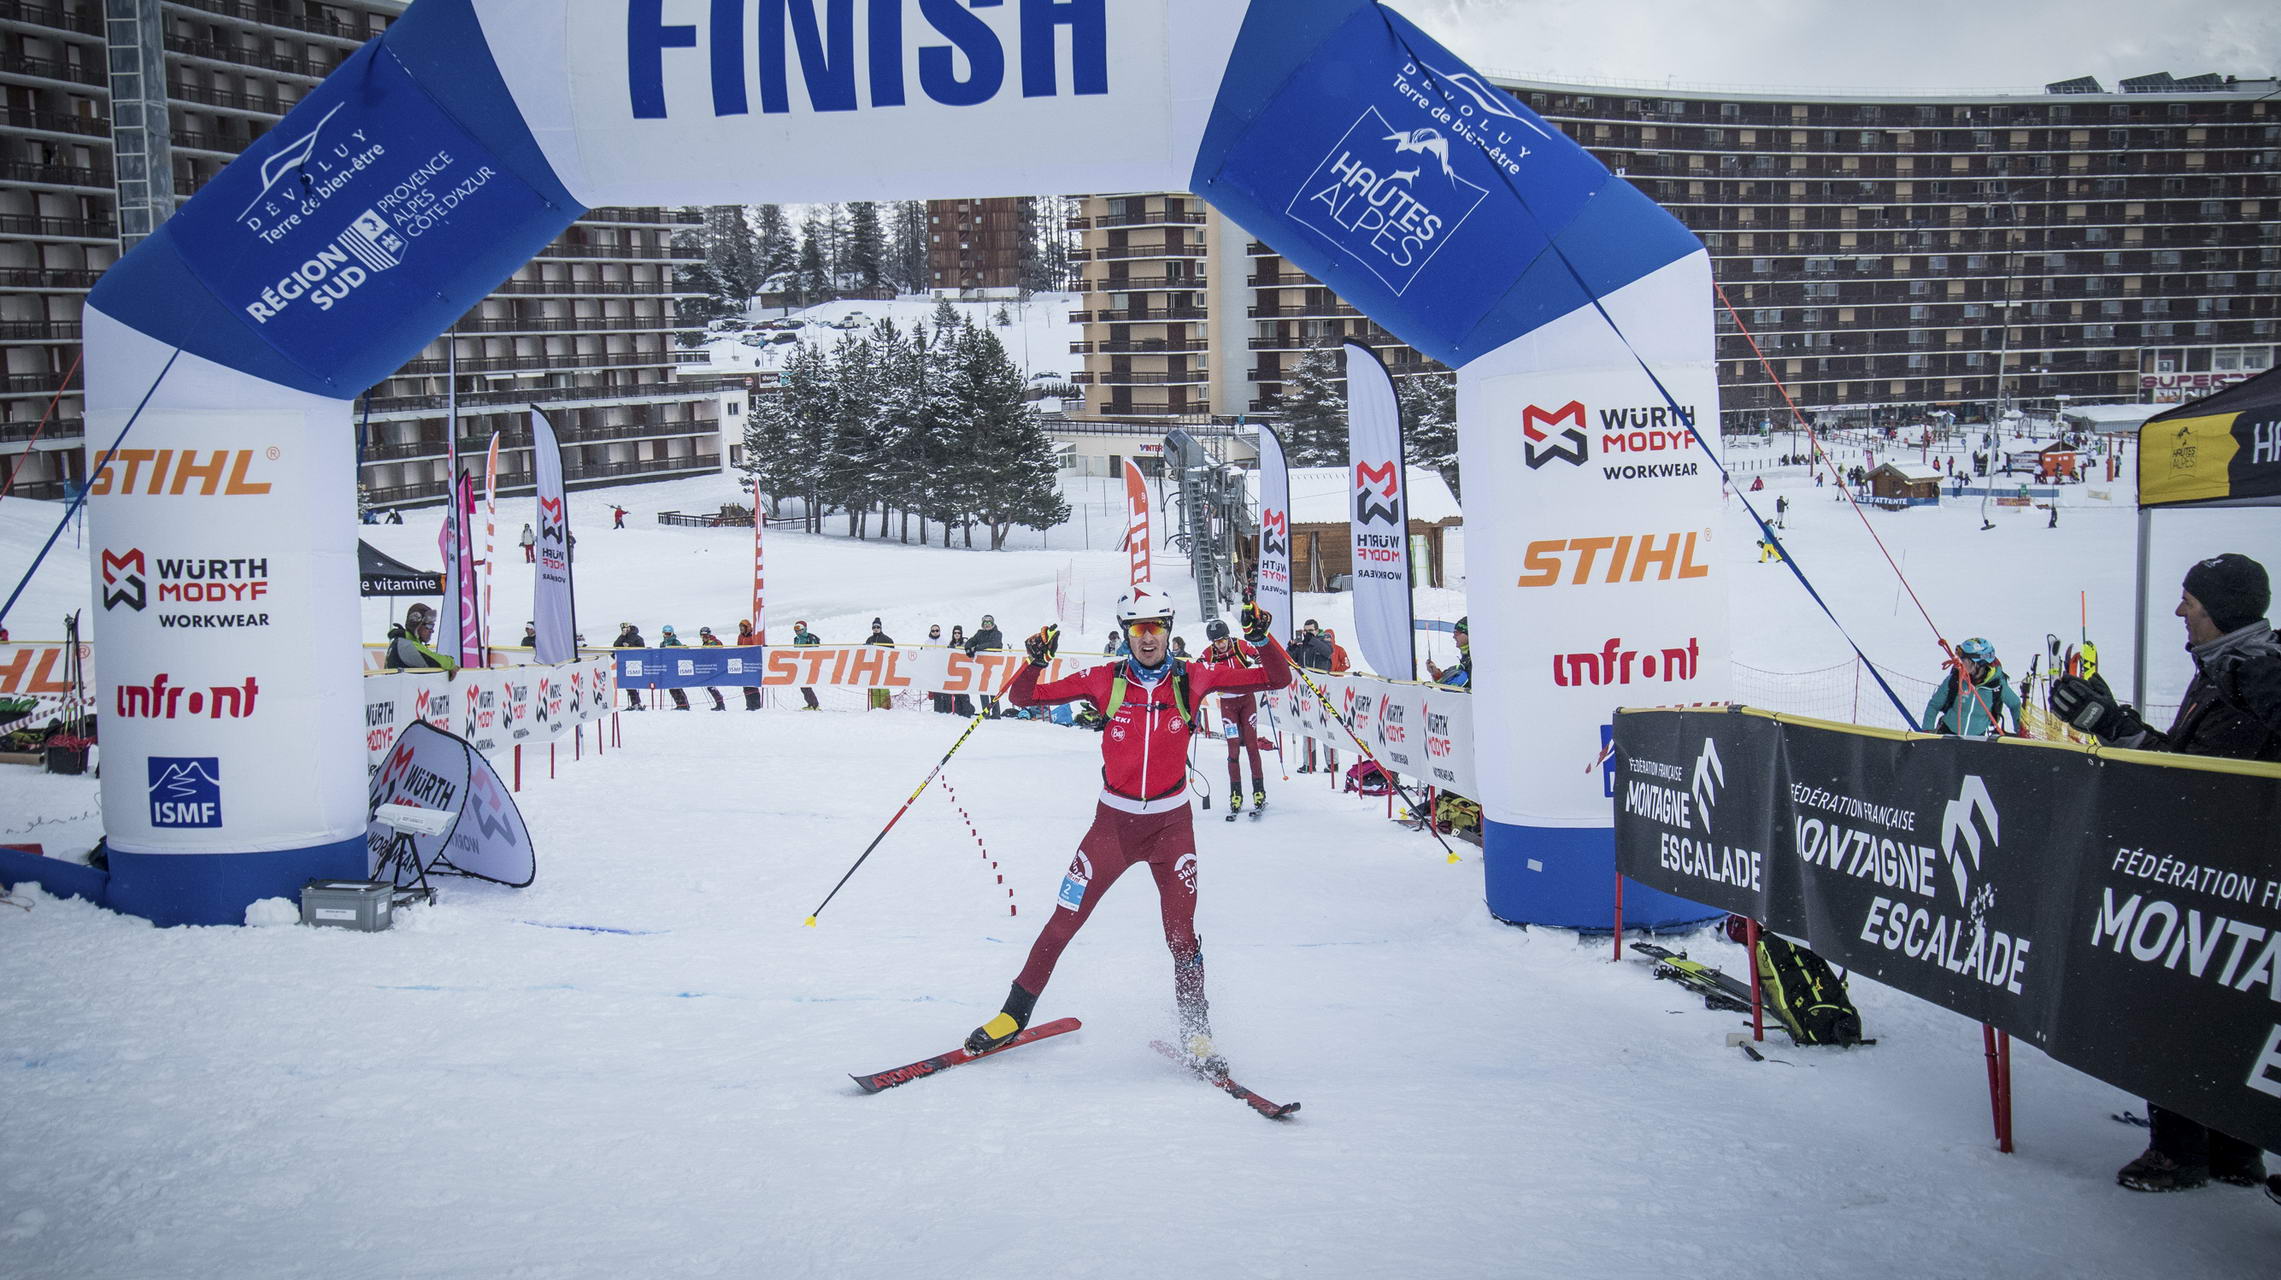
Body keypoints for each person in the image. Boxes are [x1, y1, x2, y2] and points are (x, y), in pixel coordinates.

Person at [962, 591, 1292, 1070]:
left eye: (1156, 626)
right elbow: (1024, 696)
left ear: (1168, 628)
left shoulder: (1192, 677)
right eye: (1138, 629)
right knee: (1064, 919)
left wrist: (1261, 638)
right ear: (1126, 633)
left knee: (1181, 934)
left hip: (1171, 829)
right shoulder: (1105, 680)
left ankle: (1197, 1035)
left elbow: (1275, 677)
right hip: (1112, 828)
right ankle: (1012, 1016)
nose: (1149, 637)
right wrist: (1034, 661)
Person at [2051, 554, 2281, 1194]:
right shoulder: (2227, 670)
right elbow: (2187, 764)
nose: (2180, 611)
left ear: (2221, 613)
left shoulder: (2250, 679)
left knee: (2180, 1006)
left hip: (2216, 878)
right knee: (2222, 1009)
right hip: (2223, 879)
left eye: (2191, 603)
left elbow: (2194, 788)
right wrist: (2114, 722)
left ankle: (2183, 1151)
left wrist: (2114, 728)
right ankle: (2230, 1148)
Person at [1197, 618, 1270, 818]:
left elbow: (1260, 656)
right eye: (1216, 642)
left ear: (1228, 637)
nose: (1220, 644)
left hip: (1247, 701)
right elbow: (1198, 669)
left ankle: (1258, 791)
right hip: (1228, 705)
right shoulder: (1209, 653)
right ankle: (1235, 794)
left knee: (1253, 746)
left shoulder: (1239, 644)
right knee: (1233, 749)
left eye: (1222, 640)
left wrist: (1261, 664)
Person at [1922, 637, 2022, 737]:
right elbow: (1934, 705)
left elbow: (2015, 704)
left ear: (1979, 664)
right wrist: (1927, 730)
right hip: (1947, 734)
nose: (1961, 663)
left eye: (1966, 660)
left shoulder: (1996, 685)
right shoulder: (1955, 680)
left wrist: (2020, 729)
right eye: (1961, 659)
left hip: (1978, 740)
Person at [1289, 619, 1336, 774]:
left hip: (1323, 689)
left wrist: (1313, 640)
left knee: (1325, 726)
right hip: (1306, 690)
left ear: (1317, 630)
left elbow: (1328, 652)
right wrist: (1291, 648)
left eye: (1310, 630)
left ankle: (1332, 763)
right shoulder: (1304, 645)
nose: (1307, 633)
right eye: (1305, 631)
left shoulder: (1324, 639)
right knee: (1307, 725)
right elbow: (1289, 660)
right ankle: (1308, 763)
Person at [385, 603, 456, 671]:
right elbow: (437, 662)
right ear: (417, 625)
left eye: (432, 626)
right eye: (429, 626)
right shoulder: (406, 646)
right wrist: (451, 663)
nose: (432, 630)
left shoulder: (402, 642)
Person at [966, 613, 1005, 717]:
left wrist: (977, 648)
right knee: (983, 688)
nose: (987, 625)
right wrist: (968, 648)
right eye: (985, 623)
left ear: (992, 623)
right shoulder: (980, 633)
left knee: (992, 688)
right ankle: (985, 712)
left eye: (989, 622)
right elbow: (971, 641)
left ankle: (996, 713)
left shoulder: (997, 633)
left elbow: (993, 644)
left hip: (994, 666)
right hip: (982, 665)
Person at [1427, 617, 1471, 689]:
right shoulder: (1466, 658)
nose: (1454, 637)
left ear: (1467, 634)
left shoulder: (1476, 659)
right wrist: (1437, 674)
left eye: (1457, 633)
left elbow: (1459, 685)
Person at [657, 626, 692, 710]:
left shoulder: (675, 642)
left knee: (677, 686)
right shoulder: (662, 644)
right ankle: (679, 704)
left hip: (675, 667)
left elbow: (681, 652)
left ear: (672, 633)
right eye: (665, 634)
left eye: (669, 634)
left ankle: (684, 705)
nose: (667, 635)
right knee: (671, 687)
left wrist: (683, 648)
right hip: (667, 667)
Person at [613, 622, 647, 709]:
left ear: (629, 628)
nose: (624, 630)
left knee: (631, 684)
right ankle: (635, 703)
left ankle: (636, 703)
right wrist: (622, 636)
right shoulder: (623, 637)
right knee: (628, 684)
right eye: (623, 629)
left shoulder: (637, 637)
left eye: (626, 628)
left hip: (635, 664)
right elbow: (615, 645)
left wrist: (630, 645)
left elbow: (642, 649)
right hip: (625, 663)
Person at [791, 620, 822, 709]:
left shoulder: (811, 638)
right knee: (802, 685)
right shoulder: (796, 639)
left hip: (809, 664)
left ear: (804, 629)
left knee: (806, 685)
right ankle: (810, 704)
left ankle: (815, 705)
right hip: (800, 664)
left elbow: (815, 650)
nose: (798, 632)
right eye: (796, 630)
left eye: (799, 629)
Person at [864, 617, 893, 711]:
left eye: (877, 627)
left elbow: (893, 654)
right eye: (874, 627)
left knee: (883, 688)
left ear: (881, 628)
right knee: (874, 689)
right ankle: (875, 708)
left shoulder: (887, 640)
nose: (876, 629)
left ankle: (886, 708)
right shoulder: (869, 640)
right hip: (873, 668)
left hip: (884, 667)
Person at [697, 626, 727, 710]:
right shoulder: (705, 643)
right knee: (709, 686)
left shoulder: (715, 642)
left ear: (709, 635)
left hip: (716, 667)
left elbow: (718, 652)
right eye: (702, 636)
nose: (703, 637)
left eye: (705, 636)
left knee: (710, 686)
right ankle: (719, 703)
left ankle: (720, 704)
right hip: (709, 667)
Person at [947, 624, 975, 716]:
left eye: (959, 633)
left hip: (964, 670)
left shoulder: (965, 643)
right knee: (957, 694)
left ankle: (967, 712)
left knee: (964, 693)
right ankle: (959, 711)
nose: (957, 634)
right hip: (955, 671)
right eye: (955, 633)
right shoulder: (951, 644)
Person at [736, 619, 763, 710]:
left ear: (747, 627)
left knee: (752, 684)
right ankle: (749, 705)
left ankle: (756, 705)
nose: (741, 629)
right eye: (740, 627)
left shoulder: (754, 636)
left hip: (753, 663)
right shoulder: (740, 636)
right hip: (744, 663)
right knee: (746, 685)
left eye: (742, 627)